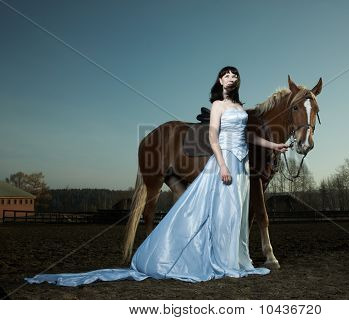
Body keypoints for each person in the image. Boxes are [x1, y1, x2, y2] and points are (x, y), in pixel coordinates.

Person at [24, 66, 289, 286]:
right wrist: (220, 163)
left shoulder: (240, 107)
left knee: (233, 213)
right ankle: (158, 250)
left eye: (235, 75)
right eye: (227, 75)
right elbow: (212, 135)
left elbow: (248, 136)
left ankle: (231, 257)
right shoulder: (218, 104)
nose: (231, 78)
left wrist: (274, 145)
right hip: (226, 161)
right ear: (220, 80)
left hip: (241, 163)